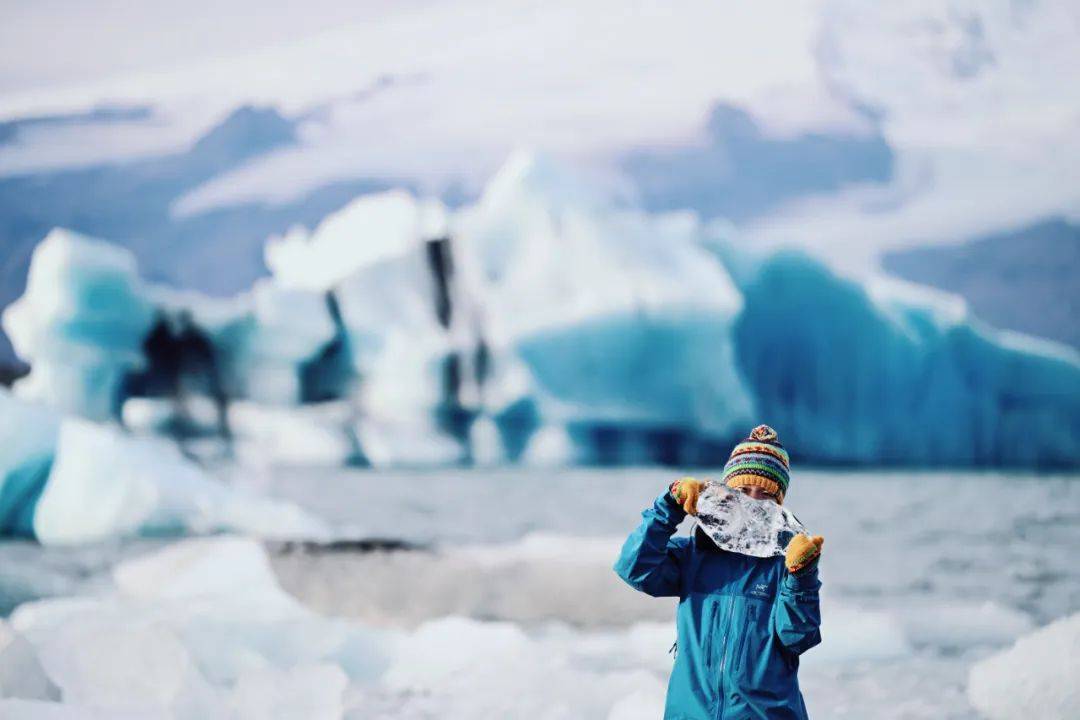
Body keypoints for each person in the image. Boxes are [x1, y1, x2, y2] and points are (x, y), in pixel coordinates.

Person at [613, 424, 824, 719]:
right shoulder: (692, 555)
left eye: (764, 494)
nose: (751, 500)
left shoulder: (784, 565)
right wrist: (669, 507)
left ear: (777, 504)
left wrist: (802, 576)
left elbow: (797, 637)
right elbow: (633, 568)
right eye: (742, 490)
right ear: (725, 491)